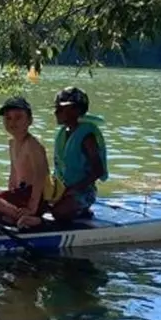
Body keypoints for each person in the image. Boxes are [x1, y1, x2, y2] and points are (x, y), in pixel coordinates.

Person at [0, 96, 50, 229]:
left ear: (30, 120)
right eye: (8, 118)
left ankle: (26, 217)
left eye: (18, 117)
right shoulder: (12, 143)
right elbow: (13, 175)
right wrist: (7, 198)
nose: (12, 122)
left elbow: (40, 176)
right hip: (20, 195)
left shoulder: (33, 144)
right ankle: (14, 216)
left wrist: (32, 207)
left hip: (33, 197)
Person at [49, 86, 108, 222]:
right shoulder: (65, 132)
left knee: (59, 213)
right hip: (62, 189)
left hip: (82, 192)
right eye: (56, 108)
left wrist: (74, 190)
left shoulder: (87, 136)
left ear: (77, 110)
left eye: (61, 108)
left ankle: (82, 209)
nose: (56, 112)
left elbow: (98, 170)